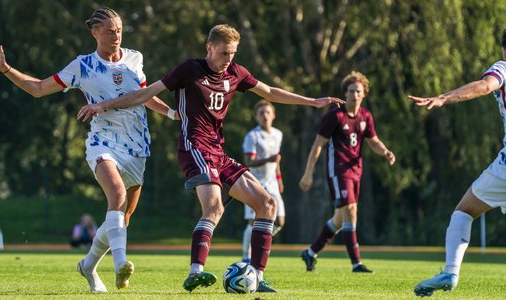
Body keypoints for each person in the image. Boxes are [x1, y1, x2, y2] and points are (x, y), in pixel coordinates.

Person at [77, 24, 344, 293]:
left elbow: (271, 92)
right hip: (194, 147)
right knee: (215, 207)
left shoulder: (236, 73)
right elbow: (145, 93)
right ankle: (196, 272)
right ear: (210, 48)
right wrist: (103, 105)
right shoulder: (188, 70)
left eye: (233, 53)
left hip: (219, 151)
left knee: (267, 205)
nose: (229, 59)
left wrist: (313, 101)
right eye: (224, 53)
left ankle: (257, 277)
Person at [0, 7, 178, 293]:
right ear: (94, 32)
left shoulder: (135, 59)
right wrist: (6, 69)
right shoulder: (82, 66)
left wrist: (173, 114)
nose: (116, 36)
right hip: (103, 142)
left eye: (119, 30)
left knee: (122, 218)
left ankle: (88, 265)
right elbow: (37, 88)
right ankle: (121, 263)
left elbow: (145, 96)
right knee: (117, 195)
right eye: (109, 31)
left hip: (137, 146)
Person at [410, 29, 506, 297]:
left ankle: (451, 271)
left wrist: (443, 97)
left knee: (464, 211)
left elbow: (486, 85)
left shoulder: (503, 68)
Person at [298, 71, 395, 274]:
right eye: (350, 91)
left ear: (364, 94)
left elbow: (373, 141)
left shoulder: (366, 116)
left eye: (358, 91)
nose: (354, 95)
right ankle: (356, 263)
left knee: (340, 219)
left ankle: (311, 252)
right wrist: (308, 174)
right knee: (350, 211)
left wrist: (385, 151)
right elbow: (317, 146)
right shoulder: (334, 116)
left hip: (355, 170)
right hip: (338, 171)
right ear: (345, 93)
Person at [241, 100, 285, 263]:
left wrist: (279, 179)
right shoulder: (252, 136)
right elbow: (249, 161)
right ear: (256, 117)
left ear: (273, 115)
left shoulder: (278, 134)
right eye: (261, 113)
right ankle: (247, 257)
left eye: (268, 112)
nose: (265, 115)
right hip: (255, 183)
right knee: (252, 222)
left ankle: (258, 243)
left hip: (272, 183)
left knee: (280, 221)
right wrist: (269, 159)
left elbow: (277, 161)